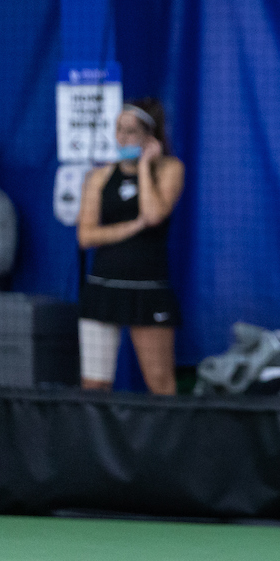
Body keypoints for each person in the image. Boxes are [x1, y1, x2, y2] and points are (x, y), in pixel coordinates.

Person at [77, 98, 184, 394]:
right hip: (103, 291)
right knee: (94, 385)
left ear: (150, 136)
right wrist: (132, 226)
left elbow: (153, 215)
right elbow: (86, 237)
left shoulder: (170, 169)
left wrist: (146, 165)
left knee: (160, 383)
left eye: (131, 131)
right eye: (118, 129)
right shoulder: (98, 177)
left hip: (148, 292)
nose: (122, 138)